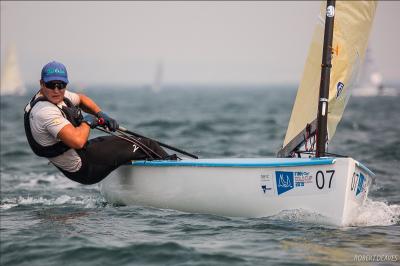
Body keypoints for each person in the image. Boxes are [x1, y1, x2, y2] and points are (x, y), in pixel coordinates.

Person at [24, 61, 171, 185]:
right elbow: (78, 141)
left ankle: (142, 181)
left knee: (130, 144)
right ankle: (172, 174)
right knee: (145, 144)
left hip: (83, 157)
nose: (56, 90)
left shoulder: (54, 96)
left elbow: (81, 99)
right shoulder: (44, 112)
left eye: (61, 85)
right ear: (42, 84)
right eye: (51, 85)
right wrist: (87, 122)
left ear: (65, 84)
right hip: (84, 167)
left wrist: (100, 114)